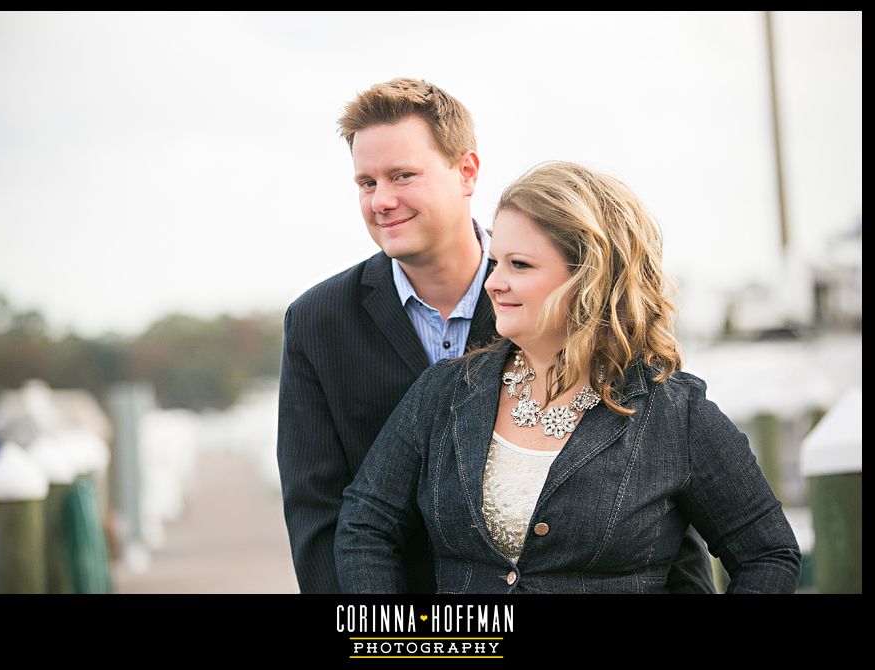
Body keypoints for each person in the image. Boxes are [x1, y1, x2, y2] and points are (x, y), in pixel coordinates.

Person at [278, 78, 714, 593]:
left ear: (467, 171)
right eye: (366, 183)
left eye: (402, 175)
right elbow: (318, 517)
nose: (382, 201)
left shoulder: (552, 299)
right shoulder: (316, 321)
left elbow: (657, 488)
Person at [335, 160, 802, 593]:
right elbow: (365, 524)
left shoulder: (676, 416)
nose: (493, 282)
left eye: (519, 265)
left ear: (589, 278)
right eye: (496, 262)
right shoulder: (444, 393)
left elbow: (768, 554)